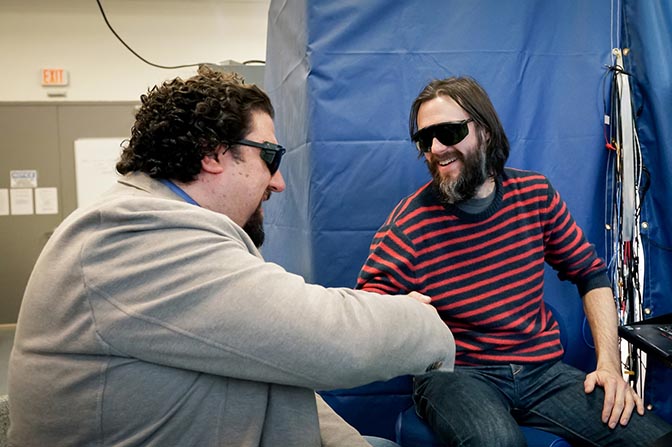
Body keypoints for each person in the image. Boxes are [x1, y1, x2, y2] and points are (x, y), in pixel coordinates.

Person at [7, 66, 455, 447]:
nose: (277, 183)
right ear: (213, 155)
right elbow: (324, 337)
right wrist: (420, 322)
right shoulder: (132, 235)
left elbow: (274, 369)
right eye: (271, 158)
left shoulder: (160, 227)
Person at [356, 76, 672, 446]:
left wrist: (608, 366)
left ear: (486, 131)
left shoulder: (534, 195)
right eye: (425, 139)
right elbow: (365, 311)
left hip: (542, 373)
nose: (436, 149)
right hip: (457, 374)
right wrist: (396, 310)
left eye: (449, 132)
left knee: (653, 438)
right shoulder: (411, 222)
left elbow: (591, 275)